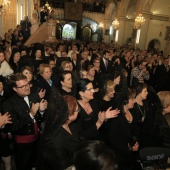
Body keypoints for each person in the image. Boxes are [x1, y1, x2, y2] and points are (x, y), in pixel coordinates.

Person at [3, 73, 47, 170]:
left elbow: (40, 118)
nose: (27, 88)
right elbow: (13, 127)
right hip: (23, 145)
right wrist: (31, 113)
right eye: (23, 86)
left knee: (38, 164)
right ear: (15, 89)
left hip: (38, 139)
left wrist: (42, 111)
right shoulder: (9, 104)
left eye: (28, 84)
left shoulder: (34, 95)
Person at [37, 92, 80, 170]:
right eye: (77, 110)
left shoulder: (72, 125)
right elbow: (62, 166)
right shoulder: (54, 138)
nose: (79, 112)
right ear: (69, 115)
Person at [103, 88, 139, 170]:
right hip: (119, 157)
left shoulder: (133, 112)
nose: (135, 101)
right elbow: (112, 139)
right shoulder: (117, 117)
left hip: (131, 155)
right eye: (132, 99)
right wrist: (128, 149)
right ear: (125, 101)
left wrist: (136, 142)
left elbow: (136, 130)